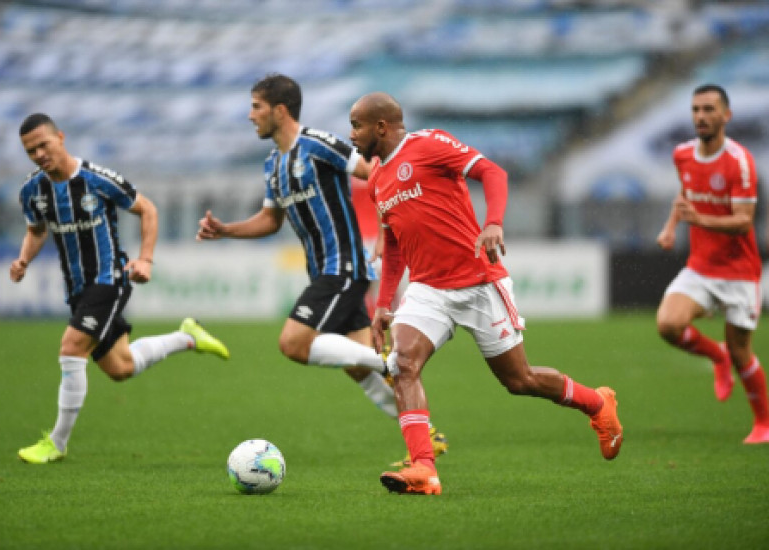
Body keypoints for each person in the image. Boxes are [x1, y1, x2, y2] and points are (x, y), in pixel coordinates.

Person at [348, 92, 623, 496]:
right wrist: (385, 304)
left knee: (519, 379)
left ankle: (598, 404)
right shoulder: (376, 179)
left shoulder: (429, 144)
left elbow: (493, 173)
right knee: (402, 363)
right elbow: (393, 246)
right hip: (427, 289)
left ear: (382, 127)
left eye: (356, 125)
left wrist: (493, 222)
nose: (352, 134)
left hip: (478, 282)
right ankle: (424, 469)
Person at [196, 74, 448, 461]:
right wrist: (226, 230)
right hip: (323, 272)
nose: (250, 116)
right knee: (357, 367)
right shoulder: (273, 165)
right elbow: (270, 220)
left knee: (293, 343)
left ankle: (389, 361)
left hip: (343, 267)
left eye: (256, 107)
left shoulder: (317, 144)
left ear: (280, 110)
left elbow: (375, 174)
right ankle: (423, 443)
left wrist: (387, 227)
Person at [12, 113, 230, 464]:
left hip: (109, 279)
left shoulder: (97, 179)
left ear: (61, 138)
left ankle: (56, 442)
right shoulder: (31, 191)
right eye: (30, 150)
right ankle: (188, 337)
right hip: (78, 289)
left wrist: (145, 259)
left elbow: (148, 209)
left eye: (43, 145)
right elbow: (36, 231)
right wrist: (24, 260)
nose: (38, 154)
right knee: (120, 367)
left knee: (71, 348)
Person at [656, 84, 768, 444]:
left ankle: (764, 424)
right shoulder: (682, 155)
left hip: (739, 271)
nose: (701, 117)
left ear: (726, 115)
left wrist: (698, 220)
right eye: (696, 110)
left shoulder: (739, 161)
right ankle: (716, 356)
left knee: (742, 351)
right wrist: (671, 227)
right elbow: (685, 195)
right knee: (668, 325)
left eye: (708, 110)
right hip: (701, 266)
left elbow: (743, 221)